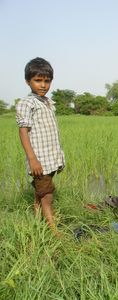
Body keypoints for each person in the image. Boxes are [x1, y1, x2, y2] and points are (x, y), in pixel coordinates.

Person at [16, 57, 65, 237]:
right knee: (47, 196)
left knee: (41, 192)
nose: (43, 85)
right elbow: (23, 131)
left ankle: (37, 221)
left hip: (50, 158)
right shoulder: (27, 103)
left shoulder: (46, 102)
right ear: (28, 81)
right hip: (40, 160)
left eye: (47, 81)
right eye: (38, 80)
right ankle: (54, 232)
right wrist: (32, 158)